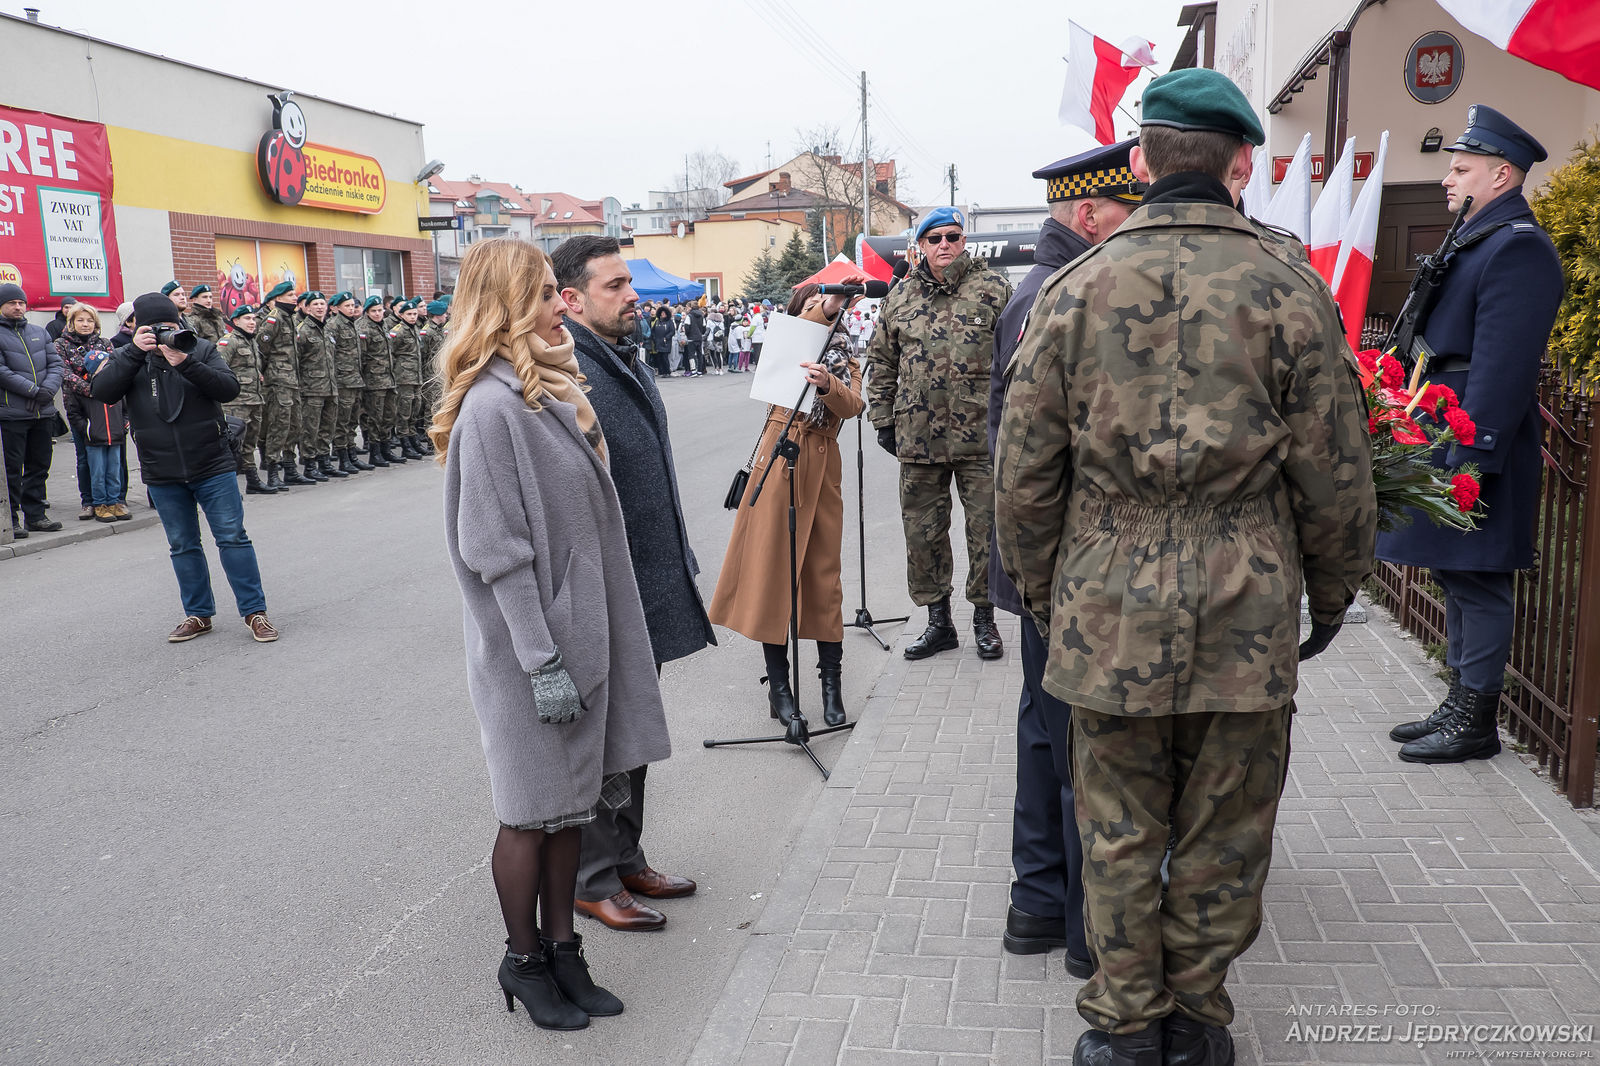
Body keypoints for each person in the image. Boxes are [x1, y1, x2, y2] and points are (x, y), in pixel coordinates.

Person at [995, 69, 1376, 1066]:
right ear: (1239, 160)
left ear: (1139, 161)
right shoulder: (1289, 287)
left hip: (1104, 605)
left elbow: (1022, 477)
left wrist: (1045, 596)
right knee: (1225, 828)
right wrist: (1332, 592)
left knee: (1116, 827)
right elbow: (1336, 470)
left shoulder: (1071, 290)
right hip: (1245, 606)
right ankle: (1198, 1017)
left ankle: (1124, 1029)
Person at [434, 238, 670, 1030]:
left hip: (574, 640)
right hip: (531, 652)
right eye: (541, 295)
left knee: (569, 809)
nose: (557, 305)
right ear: (506, 308)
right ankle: (524, 960)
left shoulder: (541, 391)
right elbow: (495, 552)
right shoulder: (490, 409)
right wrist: (541, 663)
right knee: (528, 815)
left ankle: (567, 952)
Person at [988, 140, 1144, 977]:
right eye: (1128, 211)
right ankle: (1083, 927)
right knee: (1078, 744)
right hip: (1060, 564)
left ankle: (1038, 902)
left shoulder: (1048, 285)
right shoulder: (1057, 294)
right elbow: (1033, 456)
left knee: (1046, 733)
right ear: (1090, 215)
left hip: (1042, 561)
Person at [1378, 105, 1565, 764]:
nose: (1447, 179)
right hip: (1445, 427)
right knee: (1455, 571)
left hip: (1478, 438)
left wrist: (1472, 456)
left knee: (1479, 576)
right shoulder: (1480, 238)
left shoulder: (1517, 246)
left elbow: (1502, 365)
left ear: (1500, 174)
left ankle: (1476, 721)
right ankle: (1460, 701)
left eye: (1461, 169)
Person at [551, 234, 714, 933]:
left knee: (636, 727)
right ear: (571, 299)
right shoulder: (565, 370)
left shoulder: (621, 357)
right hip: (603, 588)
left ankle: (624, 858)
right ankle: (591, 879)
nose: (632, 294)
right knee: (602, 735)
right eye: (614, 285)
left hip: (646, 572)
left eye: (629, 282)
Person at [709, 283, 866, 726]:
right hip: (780, 460)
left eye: (831, 304)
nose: (828, 309)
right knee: (773, 574)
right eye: (816, 303)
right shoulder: (790, 341)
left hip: (824, 465)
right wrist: (824, 308)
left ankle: (831, 684)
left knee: (824, 579)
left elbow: (854, 405)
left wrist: (828, 383)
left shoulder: (846, 355)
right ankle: (779, 689)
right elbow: (801, 328)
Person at [865, 205, 1012, 661]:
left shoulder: (993, 289)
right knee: (922, 534)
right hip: (918, 437)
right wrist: (883, 419)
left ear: (963, 241)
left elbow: (1017, 357)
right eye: (935, 239)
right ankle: (939, 622)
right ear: (921, 246)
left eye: (952, 237)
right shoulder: (900, 296)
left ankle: (984, 619)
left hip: (980, 438)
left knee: (987, 532)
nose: (944, 245)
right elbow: (882, 361)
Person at [91, 292, 279, 644]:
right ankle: (198, 614)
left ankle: (255, 612)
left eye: (170, 324)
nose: (166, 332)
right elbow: (102, 392)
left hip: (212, 463)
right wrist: (134, 352)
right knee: (182, 545)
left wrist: (185, 362)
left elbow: (229, 388)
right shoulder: (126, 356)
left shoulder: (200, 349)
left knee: (233, 538)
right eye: (156, 327)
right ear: (137, 326)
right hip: (161, 469)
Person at [0, 282, 64, 538]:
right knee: (12, 470)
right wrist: (33, 391)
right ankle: (11, 519)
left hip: (43, 413)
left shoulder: (39, 332)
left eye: (21, 303)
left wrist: (47, 391)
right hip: (12, 415)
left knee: (39, 466)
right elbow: (2, 372)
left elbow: (56, 364)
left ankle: (36, 516)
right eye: (12, 303)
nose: (18, 307)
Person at [57, 303, 129, 520]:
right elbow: (65, 374)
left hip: (110, 409)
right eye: (80, 320)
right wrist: (96, 390)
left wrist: (106, 390)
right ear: (71, 322)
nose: (85, 324)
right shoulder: (61, 344)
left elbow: (116, 369)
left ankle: (116, 499)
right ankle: (90, 501)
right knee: (85, 458)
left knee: (115, 459)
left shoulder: (105, 343)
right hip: (81, 407)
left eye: (89, 320)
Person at [217, 304, 277, 495]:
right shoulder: (230, 341)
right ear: (236, 321)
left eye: (253, 319)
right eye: (247, 319)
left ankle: (252, 481)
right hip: (236, 403)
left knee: (249, 444)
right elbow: (219, 368)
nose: (252, 322)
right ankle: (229, 489)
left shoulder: (252, 342)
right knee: (232, 447)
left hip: (254, 400)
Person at [256, 281, 311, 489]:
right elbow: (261, 348)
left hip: (292, 380)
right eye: (290, 295)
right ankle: (272, 471)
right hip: (278, 381)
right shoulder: (274, 318)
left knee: (294, 425)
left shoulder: (290, 318)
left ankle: (290, 469)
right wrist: (265, 373)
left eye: (294, 294)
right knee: (279, 426)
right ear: (278, 298)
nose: (294, 297)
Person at [294, 292, 344, 481]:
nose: (320, 307)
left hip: (330, 387)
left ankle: (325, 462)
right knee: (310, 429)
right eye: (315, 304)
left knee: (327, 427)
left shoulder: (328, 329)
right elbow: (296, 360)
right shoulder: (303, 330)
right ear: (307, 308)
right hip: (311, 389)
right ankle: (309, 465)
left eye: (322, 303)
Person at [326, 292, 370, 474]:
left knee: (352, 421)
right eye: (347, 306)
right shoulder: (333, 325)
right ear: (337, 308)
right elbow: (330, 355)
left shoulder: (353, 324)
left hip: (355, 379)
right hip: (343, 381)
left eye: (353, 305)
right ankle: (343, 457)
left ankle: (352, 455)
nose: (351, 309)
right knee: (342, 422)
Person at [357, 296, 401, 466]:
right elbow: (360, 357)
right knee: (375, 418)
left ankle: (386, 449)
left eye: (380, 310)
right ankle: (375, 453)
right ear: (367, 312)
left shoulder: (384, 326)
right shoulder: (363, 328)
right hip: (373, 381)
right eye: (373, 311)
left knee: (389, 416)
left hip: (389, 379)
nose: (377, 313)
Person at [388, 299, 427, 460]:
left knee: (414, 410)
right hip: (403, 378)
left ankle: (413, 440)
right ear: (402, 315)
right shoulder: (398, 331)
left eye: (414, 314)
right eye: (409, 314)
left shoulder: (416, 329)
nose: (412, 317)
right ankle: (405, 444)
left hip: (416, 377)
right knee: (404, 412)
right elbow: (390, 353)